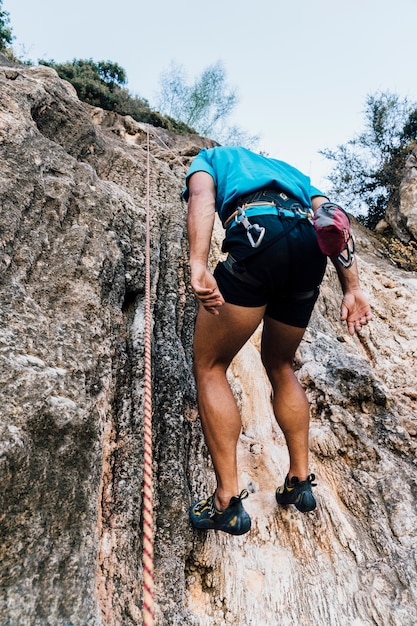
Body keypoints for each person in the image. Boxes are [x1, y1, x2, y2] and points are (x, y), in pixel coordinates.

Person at [183, 146, 372, 536]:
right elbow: (331, 219)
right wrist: (351, 287)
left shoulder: (212, 157)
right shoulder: (292, 173)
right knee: (281, 365)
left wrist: (198, 263)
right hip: (307, 250)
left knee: (210, 365)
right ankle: (299, 481)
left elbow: (201, 195)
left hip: (258, 236)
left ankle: (226, 501)